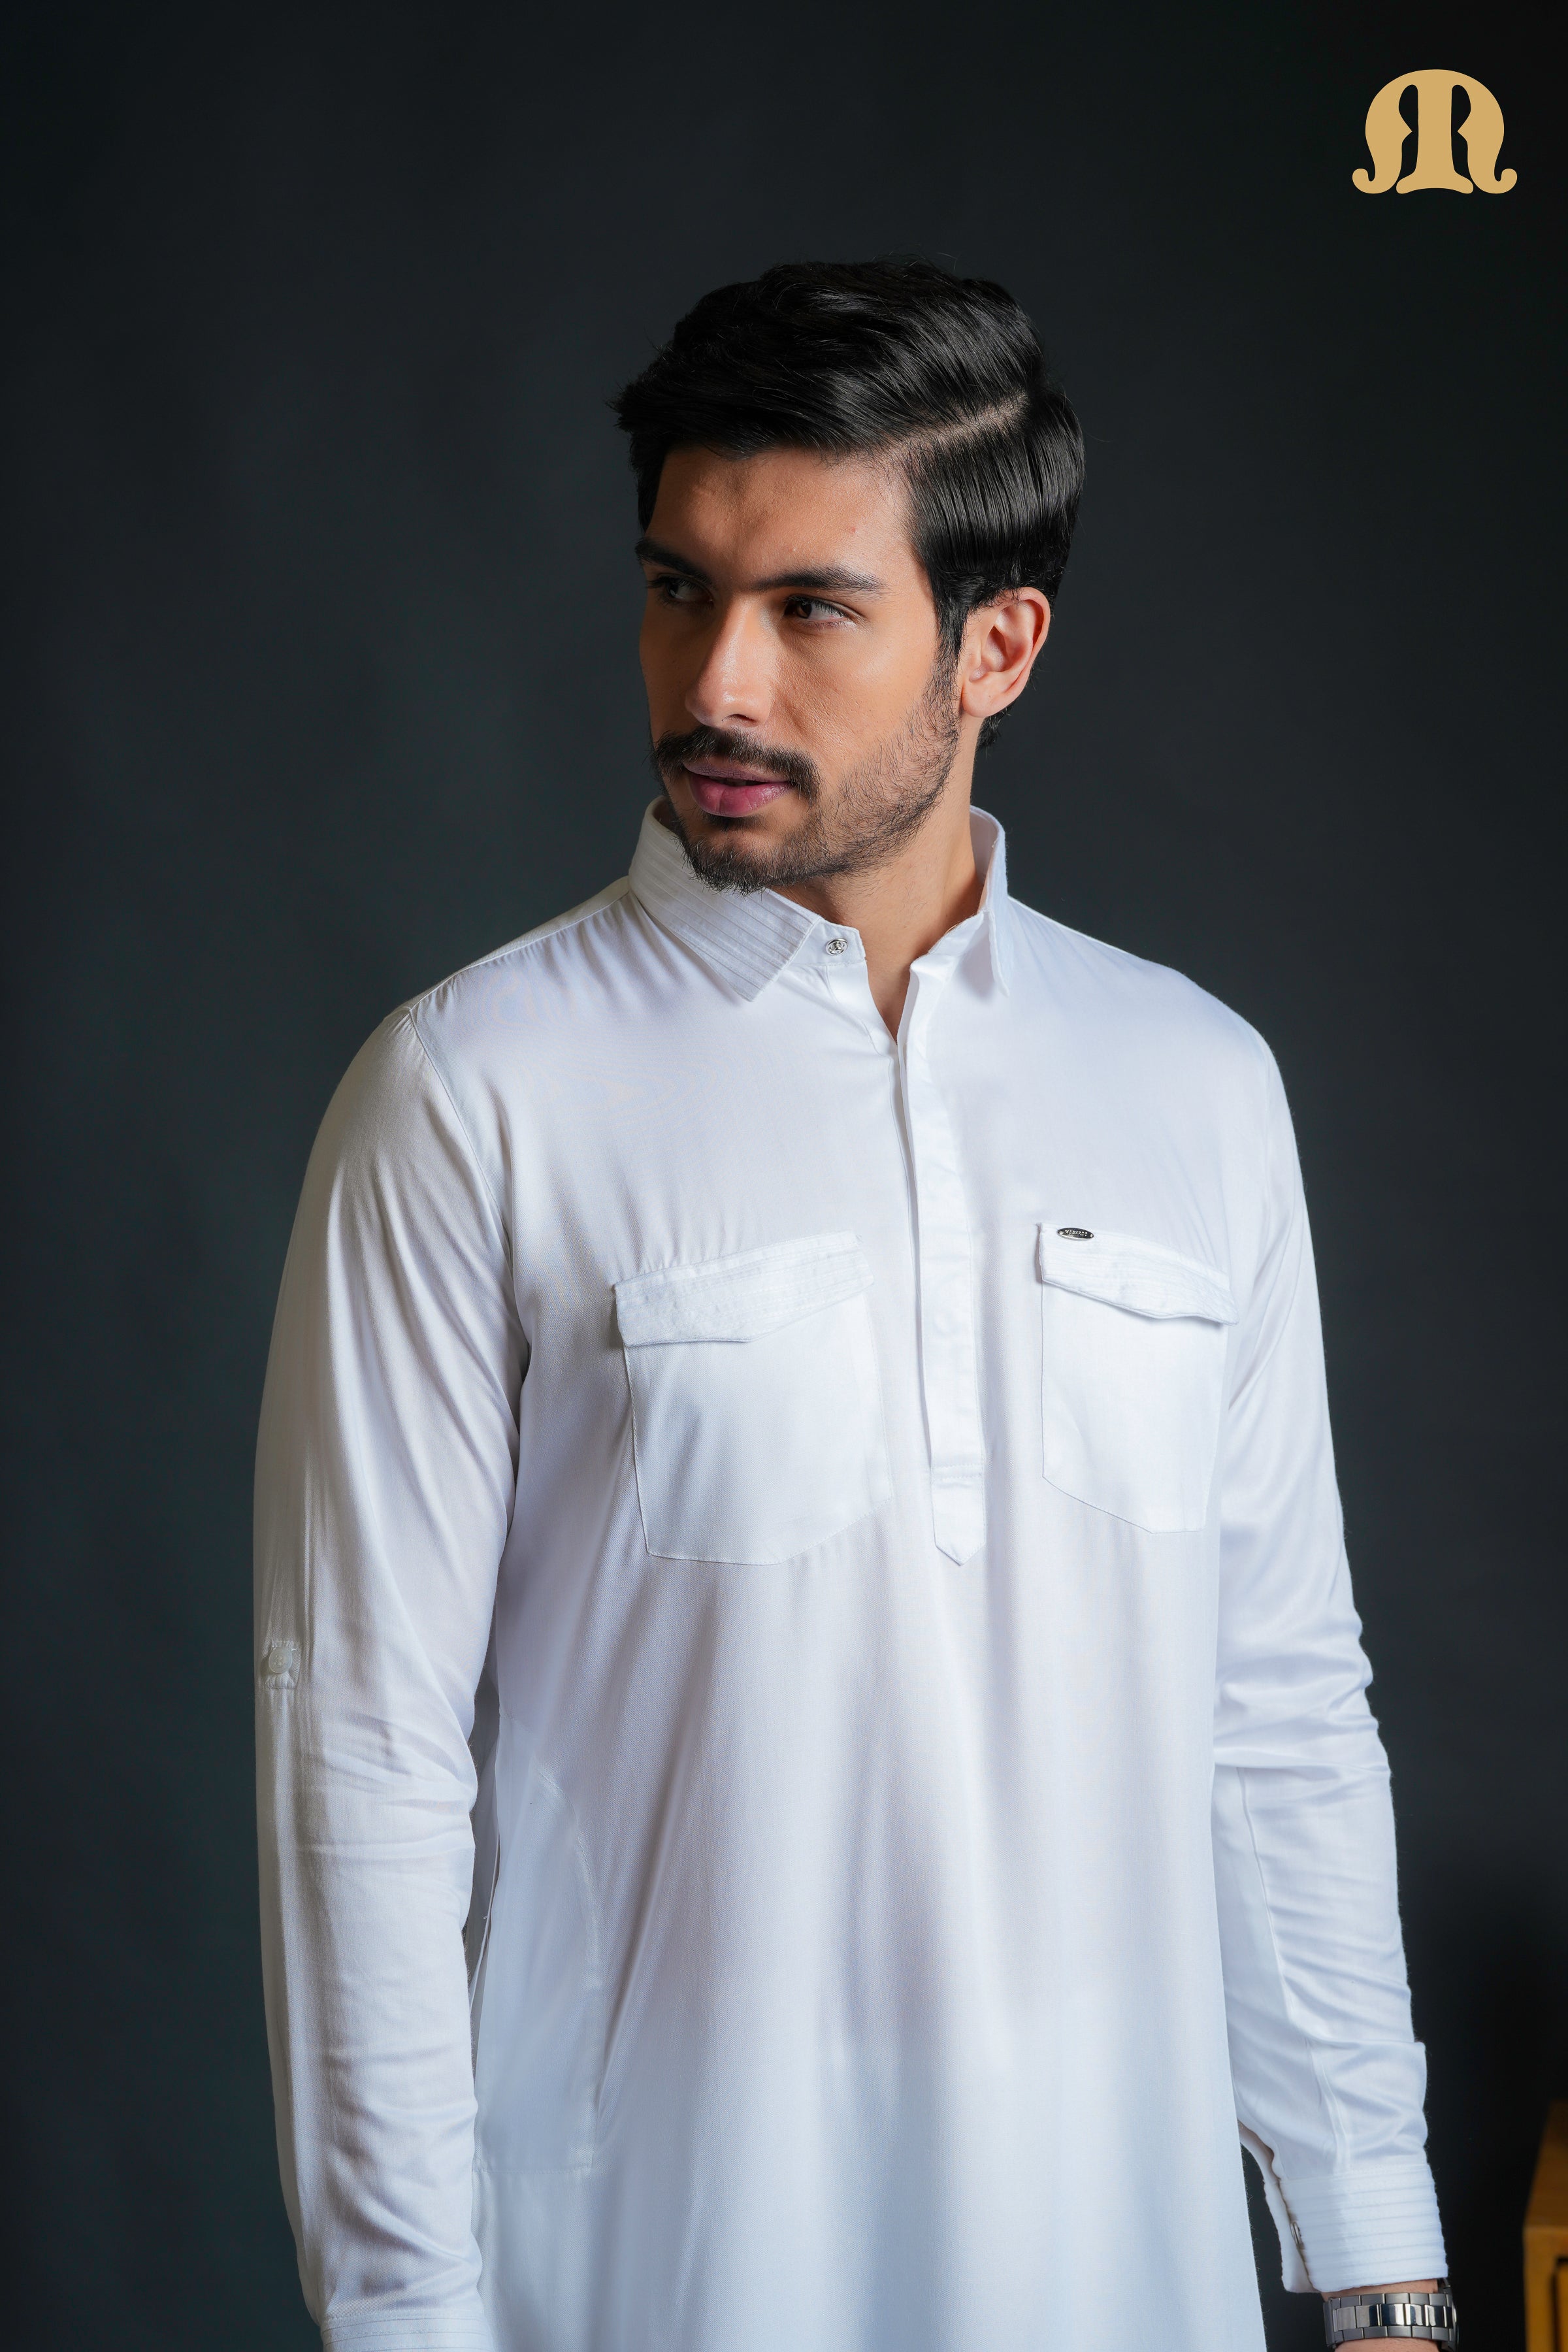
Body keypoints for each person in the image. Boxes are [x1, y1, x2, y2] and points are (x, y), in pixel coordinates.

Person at [255, 259, 1454, 2352]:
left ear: (999, 644)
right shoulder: (472, 1093)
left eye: (810, 609)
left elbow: (1275, 1713)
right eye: (677, 590)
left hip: (1125, 2275)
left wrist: (1383, 2267)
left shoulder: (1195, 1085)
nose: (714, 681)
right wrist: (406, 2325)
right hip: (651, 2283)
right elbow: (356, 1755)